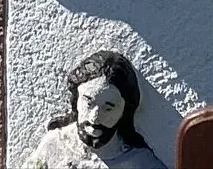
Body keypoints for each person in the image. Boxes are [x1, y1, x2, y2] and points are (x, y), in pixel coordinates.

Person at [18, 51, 168, 169]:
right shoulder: (54, 146)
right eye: (88, 103)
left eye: (108, 108)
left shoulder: (139, 162)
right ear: (76, 99)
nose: (94, 118)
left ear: (124, 111)